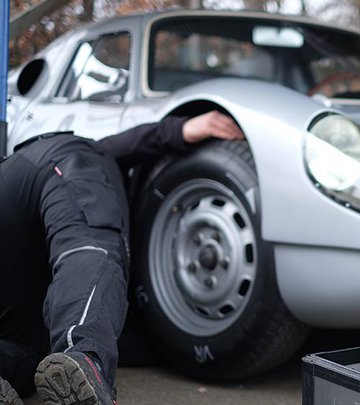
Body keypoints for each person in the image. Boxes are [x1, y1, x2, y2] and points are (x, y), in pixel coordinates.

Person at [0, 111, 244, 405]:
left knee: (29, 360)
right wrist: (175, 130)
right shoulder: (86, 167)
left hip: (20, 315)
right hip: (47, 171)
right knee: (89, 247)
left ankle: (75, 362)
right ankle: (83, 358)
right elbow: (107, 147)